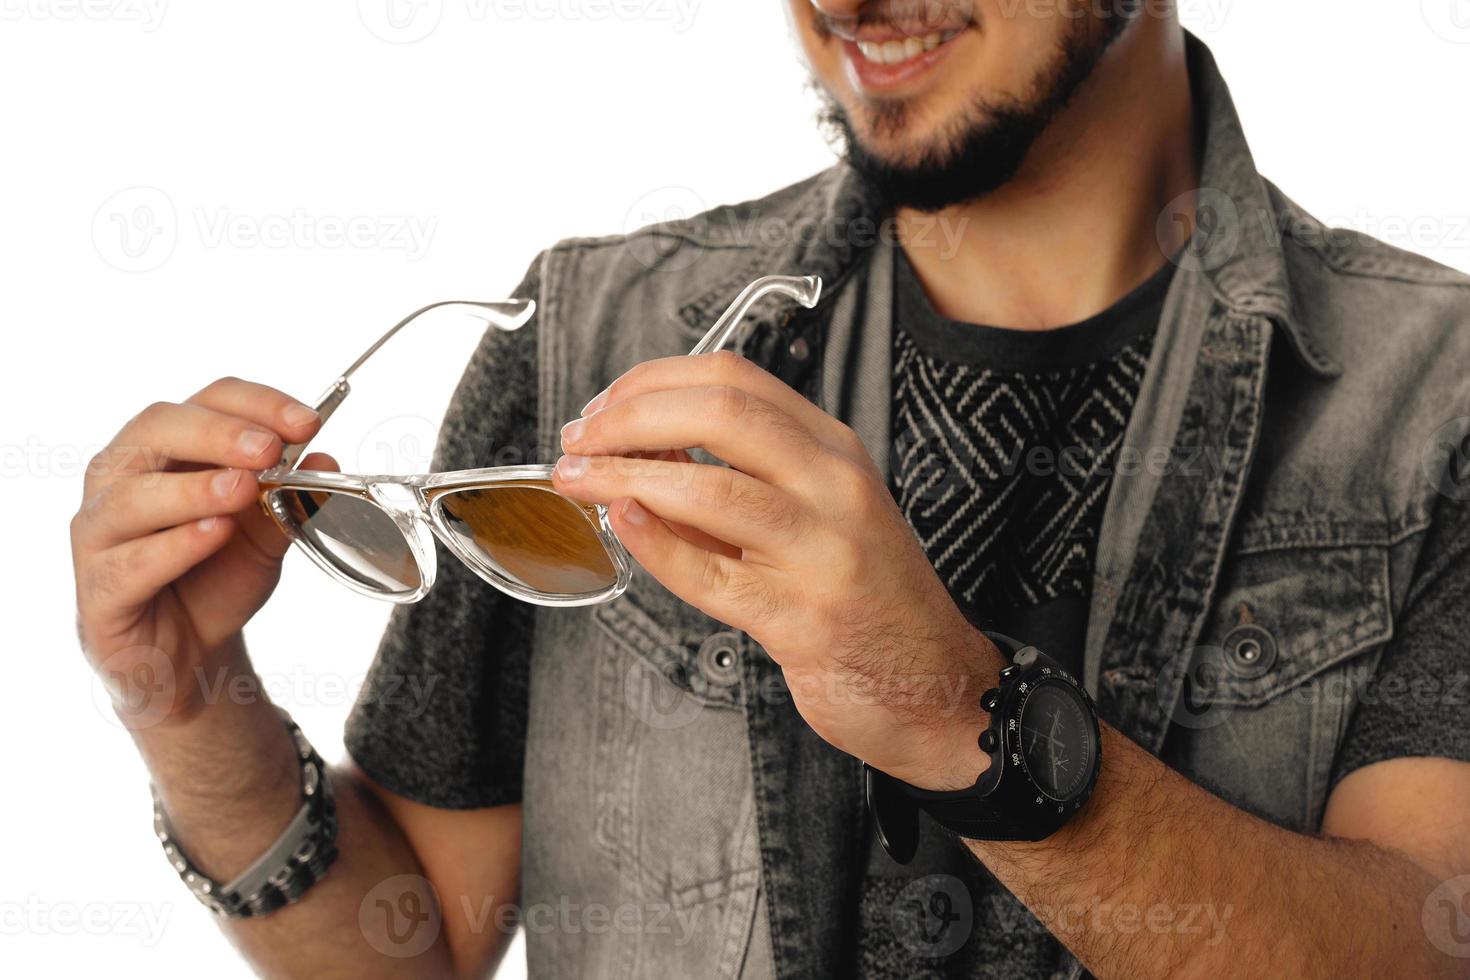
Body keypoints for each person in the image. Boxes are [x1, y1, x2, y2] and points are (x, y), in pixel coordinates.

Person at [71, 2, 1470, 977]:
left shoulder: (1434, 398)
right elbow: (414, 942)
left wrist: (954, 713)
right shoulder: (587, 333)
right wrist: (193, 713)